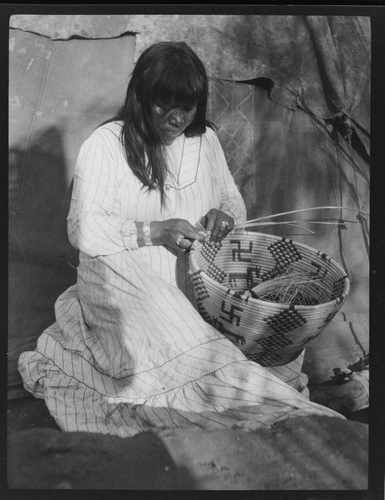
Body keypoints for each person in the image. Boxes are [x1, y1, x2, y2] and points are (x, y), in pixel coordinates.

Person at [18, 41, 342, 437]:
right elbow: (82, 228)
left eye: (186, 107)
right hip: (127, 282)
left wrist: (224, 217)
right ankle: (273, 415)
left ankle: (269, 406)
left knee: (266, 336)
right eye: (164, 105)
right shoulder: (106, 145)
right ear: (141, 96)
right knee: (185, 352)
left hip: (195, 285)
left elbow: (232, 203)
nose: (175, 118)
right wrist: (157, 231)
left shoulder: (203, 141)